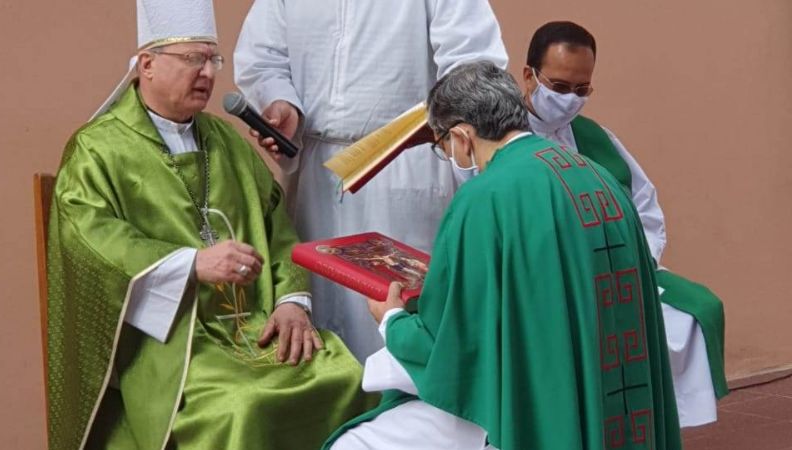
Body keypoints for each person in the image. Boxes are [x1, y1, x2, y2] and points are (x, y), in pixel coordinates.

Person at [47, 1, 372, 449]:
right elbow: (90, 239)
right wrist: (190, 264)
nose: (207, 73)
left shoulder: (224, 142)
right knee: (243, 405)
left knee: (347, 375)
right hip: (172, 341)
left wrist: (291, 302)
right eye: (192, 59)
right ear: (147, 65)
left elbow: (276, 226)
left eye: (212, 60)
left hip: (254, 325)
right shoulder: (97, 149)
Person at [324, 61, 682, 450]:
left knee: (356, 444)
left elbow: (453, 346)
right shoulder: (599, 177)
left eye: (443, 145)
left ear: (462, 136)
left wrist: (391, 321)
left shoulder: (484, 199)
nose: (450, 154)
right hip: (611, 394)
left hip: (537, 398)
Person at [233, 0, 508, 362]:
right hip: (319, 168)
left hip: (405, 163)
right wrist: (282, 103)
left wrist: (436, 125)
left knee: (398, 316)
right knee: (325, 313)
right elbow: (262, 57)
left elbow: (473, 66)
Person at [521, 21, 727, 426]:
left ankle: (655, 422)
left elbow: (644, 205)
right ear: (529, 75)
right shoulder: (503, 137)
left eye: (582, 90)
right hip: (551, 282)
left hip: (619, 271)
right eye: (560, 87)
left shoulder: (595, 137)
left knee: (699, 312)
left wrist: (636, 261)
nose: (570, 100)